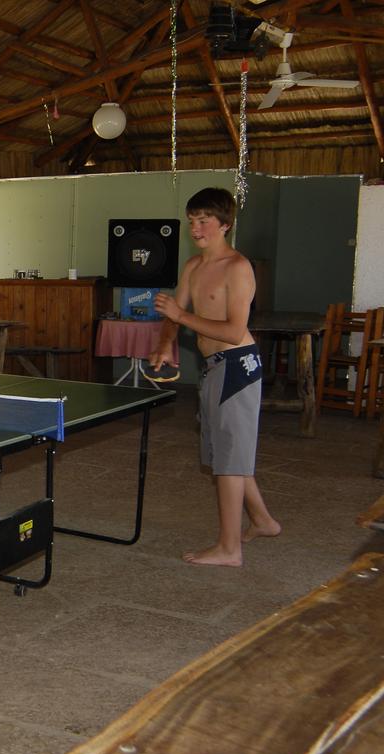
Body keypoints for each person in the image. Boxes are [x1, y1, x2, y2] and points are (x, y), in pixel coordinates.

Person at [148, 188, 281, 567]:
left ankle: (229, 548)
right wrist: (165, 344)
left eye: (204, 220)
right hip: (214, 367)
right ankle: (263, 521)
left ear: (225, 224)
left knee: (229, 461)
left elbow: (235, 330)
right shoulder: (193, 266)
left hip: (237, 364)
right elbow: (175, 314)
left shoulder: (238, 267)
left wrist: (180, 316)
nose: (196, 228)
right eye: (192, 220)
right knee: (226, 452)